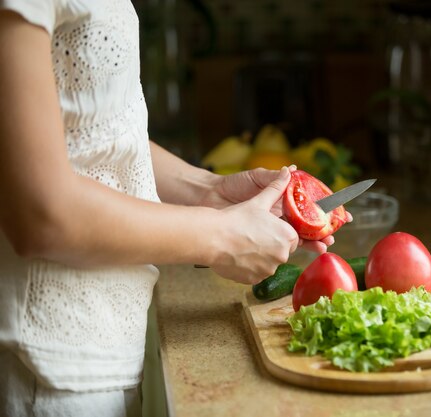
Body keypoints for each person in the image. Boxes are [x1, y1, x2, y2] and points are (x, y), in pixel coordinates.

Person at [0, 1, 341, 416]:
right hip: (47, 364)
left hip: (99, 350)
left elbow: (87, 131)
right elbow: (40, 213)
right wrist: (221, 236)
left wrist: (207, 190)